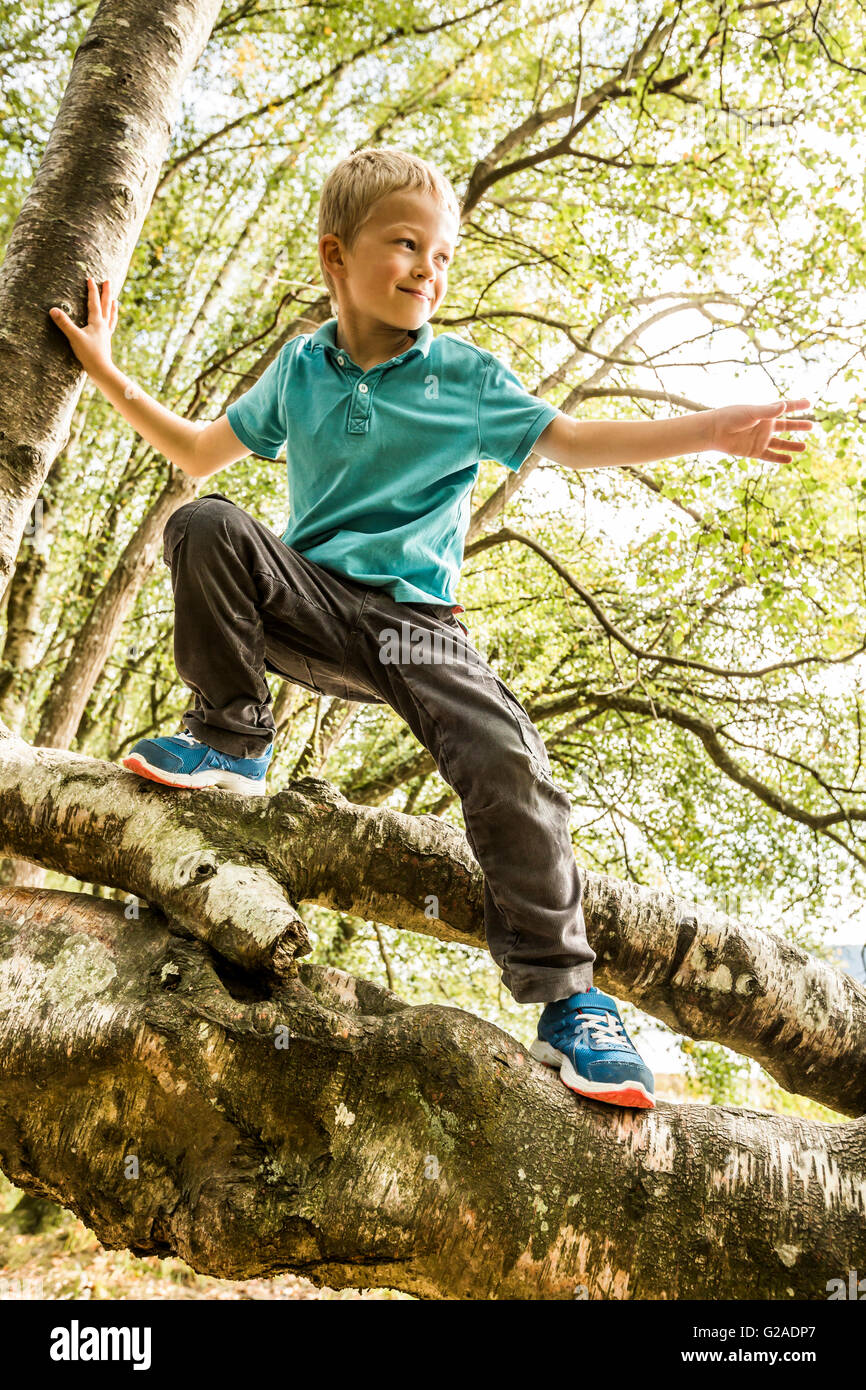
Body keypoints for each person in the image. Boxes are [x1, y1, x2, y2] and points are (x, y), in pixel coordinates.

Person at [49, 147, 812, 1111]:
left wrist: (709, 428)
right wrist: (107, 371)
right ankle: (231, 739)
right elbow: (200, 454)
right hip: (312, 604)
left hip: (416, 627)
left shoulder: (464, 374)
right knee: (203, 523)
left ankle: (569, 1003)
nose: (429, 270)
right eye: (407, 244)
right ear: (337, 255)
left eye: (443, 255)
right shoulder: (301, 368)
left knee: (505, 753)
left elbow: (572, 442)